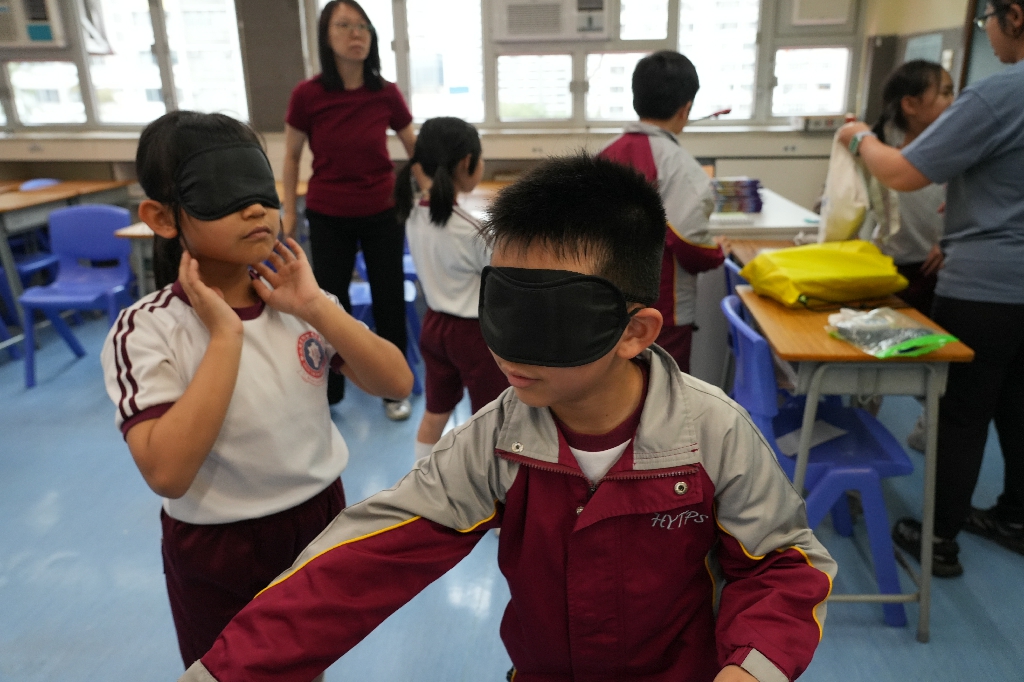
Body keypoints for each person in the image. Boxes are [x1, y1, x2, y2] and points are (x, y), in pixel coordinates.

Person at [179, 155, 836, 682]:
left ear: (634, 332)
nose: (513, 351)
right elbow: (360, 562)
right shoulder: (496, 441)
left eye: (551, 319)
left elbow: (783, 565)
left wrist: (750, 669)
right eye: (504, 307)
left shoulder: (713, 435)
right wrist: (221, 671)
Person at [100, 110, 413, 669]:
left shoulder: (300, 303)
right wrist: (225, 335)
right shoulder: (147, 329)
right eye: (222, 195)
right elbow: (167, 472)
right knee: (232, 671)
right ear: (163, 218)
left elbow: (396, 380)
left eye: (262, 192)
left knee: (308, 662)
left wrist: (316, 307)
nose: (255, 210)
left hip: (320, 519)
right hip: (219, 543)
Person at [839, 0, 1024, 576]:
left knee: (961, 413)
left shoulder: (999, 93)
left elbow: (900, 173)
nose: (986, 29)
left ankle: (938, 539)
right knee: (1017, 404)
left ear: (1015, 15)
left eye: (986, 17)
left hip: (987, 285)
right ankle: (1015, 517)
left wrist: (856, 138)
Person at [283, 0, 417, 420]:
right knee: (328, 303)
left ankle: (393, 390)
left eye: (363, 26)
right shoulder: (308, 95)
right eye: (344, 25)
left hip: (382, 211)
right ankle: (329, 390)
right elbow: (291, 156)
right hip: (328, 213)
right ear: (326, 36)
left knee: (389, 298)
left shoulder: (386, 92)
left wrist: (432, 190)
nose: (356, 34)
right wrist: (289, 213)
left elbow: (415, 147)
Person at [598, 50, 725, 374]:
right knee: (664, 390)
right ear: (686, 108)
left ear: (636, 98)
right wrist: (718, 251)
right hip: (662, 312)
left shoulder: (601, 157)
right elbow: (691, 247)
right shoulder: (683, 169)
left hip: (602, 303)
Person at [848, 60, 954, 433]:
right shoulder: (879, 149)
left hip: (932, 269)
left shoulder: (954, 147)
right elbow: (850, 200)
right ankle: (864, 428)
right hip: (885, 269)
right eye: (944, 92)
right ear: (910, 104)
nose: (952, 101)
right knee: (872, 361)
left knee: (933, 356)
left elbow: (969, 201)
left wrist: (950, 240)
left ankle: (930, 423)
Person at [394, 117, 509, 462]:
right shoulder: (472, 229)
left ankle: (419, 478)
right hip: (474, 335)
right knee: (490, 418)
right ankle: (487, 483)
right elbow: (504, 277)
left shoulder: (414, 214)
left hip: (434, 326)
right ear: (466, 163)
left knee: (435, 412)